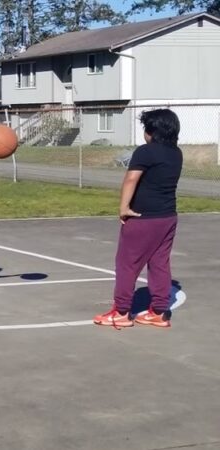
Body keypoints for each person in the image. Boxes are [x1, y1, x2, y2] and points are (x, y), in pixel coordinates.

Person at [94, 109, 183, 328]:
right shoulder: (176, 153)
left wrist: (124, 207)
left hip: (143, 218)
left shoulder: (146, 151)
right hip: (167, 217)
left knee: (127, 264)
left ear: (152, 131)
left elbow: (131, 179)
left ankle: (122, 312)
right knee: (159, 263)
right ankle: (159, 312)